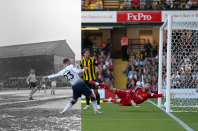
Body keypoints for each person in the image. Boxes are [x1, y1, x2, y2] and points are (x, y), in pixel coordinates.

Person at [89, 81, 163, 106]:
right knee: (112, 89)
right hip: (126, 94)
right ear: (145, 85)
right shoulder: (138, 87)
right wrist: (132, 100)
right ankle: (97, 83)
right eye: (148, 84)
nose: (148, 86)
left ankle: (109, 100)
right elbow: (130, 92)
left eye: (150, 86)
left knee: (118, 102)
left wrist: (164, 95)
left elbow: (156, 95)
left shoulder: (148, 95)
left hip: (129, 103)